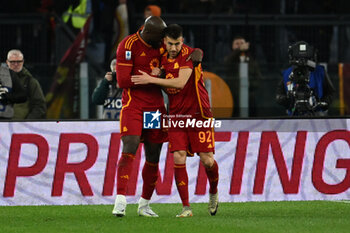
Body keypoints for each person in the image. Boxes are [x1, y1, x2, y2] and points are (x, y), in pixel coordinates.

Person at [112, 16, 203, 218]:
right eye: (160, 38)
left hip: (155, 108)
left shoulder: (162, 44)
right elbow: (123, 80)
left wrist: (198, 52)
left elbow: (183, 49)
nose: (163, 41)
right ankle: (120, 200)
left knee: (153, 155)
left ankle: (144, 204)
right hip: (133, 106)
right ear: (149, 34)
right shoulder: (128, 45)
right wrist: (154, 78)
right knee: (130, 147)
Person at [131, 24, 219, 217]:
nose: (173, 48)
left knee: (207, 160)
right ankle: (186, 208)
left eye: (177, 43)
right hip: (177, 115)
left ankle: (213, 192)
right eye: (170, 44)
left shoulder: (188, 55)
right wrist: (158, 73)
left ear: (182, 41)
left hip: (199, 114)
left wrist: (152, 79)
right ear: (164, 41)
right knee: (178, 156)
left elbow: (179, 82)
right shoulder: (161, 56)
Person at [276, 41, 335, 116]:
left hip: (317, 114)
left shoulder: (320, 71)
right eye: (298, 58)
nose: (302, 62)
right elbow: (279, 95)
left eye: (305, 58)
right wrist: (287, 101)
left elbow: (330, 92)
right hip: (293, 115)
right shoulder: (287, 73)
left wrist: (322, 103)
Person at [224, 35, 262, 117]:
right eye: (237, 44)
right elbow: (226, 63)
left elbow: (258, 78)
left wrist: (249, 85)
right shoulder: (229, 59)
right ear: (232, 46)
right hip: (232, 97)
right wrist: (239, 50)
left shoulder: (251, 60)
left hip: (249, 97)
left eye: (242, 43)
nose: (240, 45)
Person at [6, 49, 47, 119]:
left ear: (23, 62)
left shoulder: (30, 82)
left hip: (21, 126)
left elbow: (40, 106)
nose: (16, 64)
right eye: (12, 62)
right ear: (7, 62)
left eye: (19, 62)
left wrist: (27, 122)